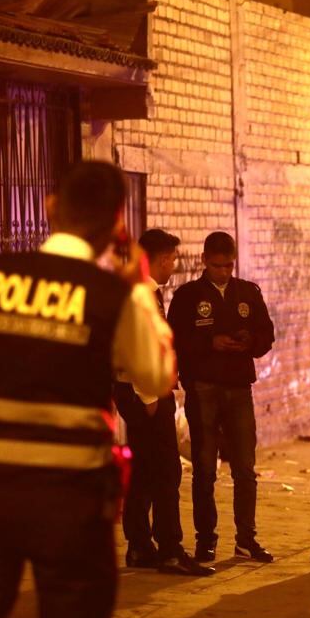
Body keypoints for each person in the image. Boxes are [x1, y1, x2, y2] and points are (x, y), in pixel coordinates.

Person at [0, 161, 177, 618]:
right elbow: (158, 377)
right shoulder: (112, 296)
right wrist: (139, 286)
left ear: (51, 207)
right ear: (116, 226)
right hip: (71, 497)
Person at [168, 231, 276, 564]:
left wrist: (249, 341)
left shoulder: (247, 292)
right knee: (204, 468)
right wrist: (210, 343)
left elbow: (267, 334)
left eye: (228, 265)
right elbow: (175, 341)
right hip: (203, 389)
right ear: (204, 261)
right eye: (217, 266)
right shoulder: (188, 296)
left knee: (245, 467)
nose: (224, 272)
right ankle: (206, 540)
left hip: (239, 387)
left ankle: (246, 539)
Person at [114, 229, 212, 577]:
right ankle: (170, 549)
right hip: (145, 393)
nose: (174, 265)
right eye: (172, 259)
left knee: (143, 471)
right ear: (158, 258)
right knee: (167, 470)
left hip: (139, 391)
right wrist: (149, 395)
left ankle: (140, 545)